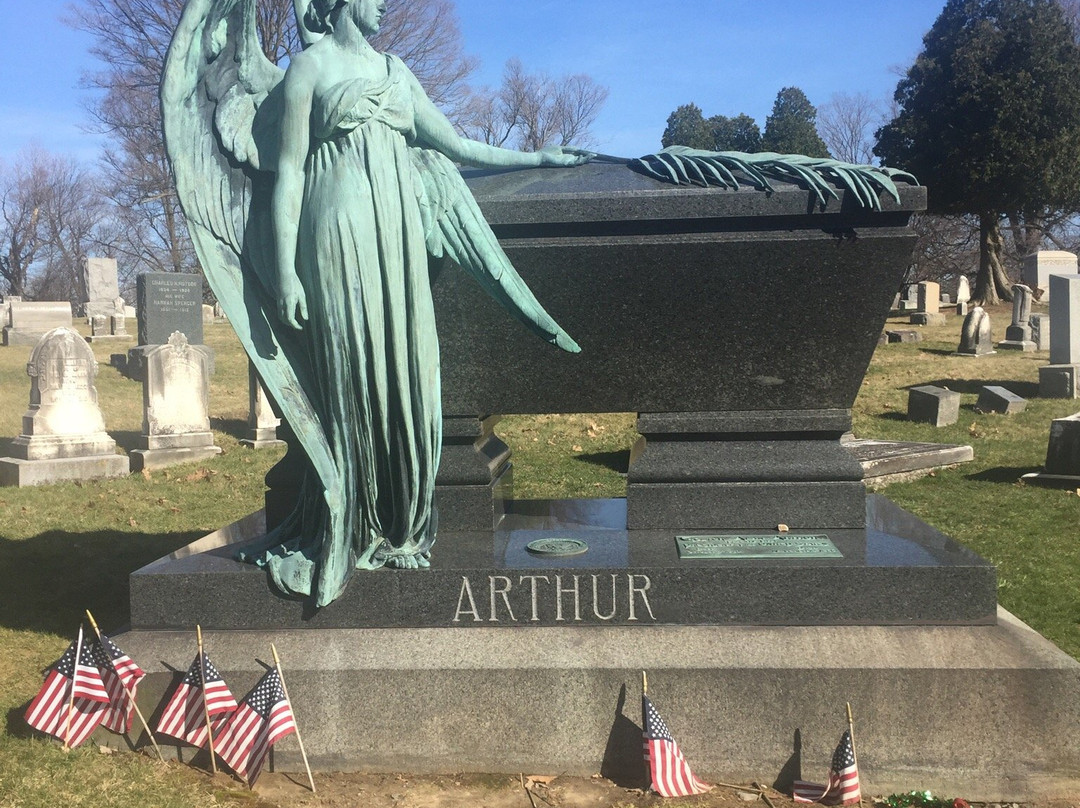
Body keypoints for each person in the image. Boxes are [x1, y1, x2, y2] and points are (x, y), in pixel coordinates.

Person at [230, 0, 588, 605]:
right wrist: (287, 272)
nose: (383, 3)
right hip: (337, 234)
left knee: (411, 372)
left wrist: (538, 157)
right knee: (356, 374)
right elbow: (289, 172)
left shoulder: (396, 71)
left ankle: (403, 523)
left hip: (396, 240)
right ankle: (356, 518)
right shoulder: (309, 68)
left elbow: (457, 144)